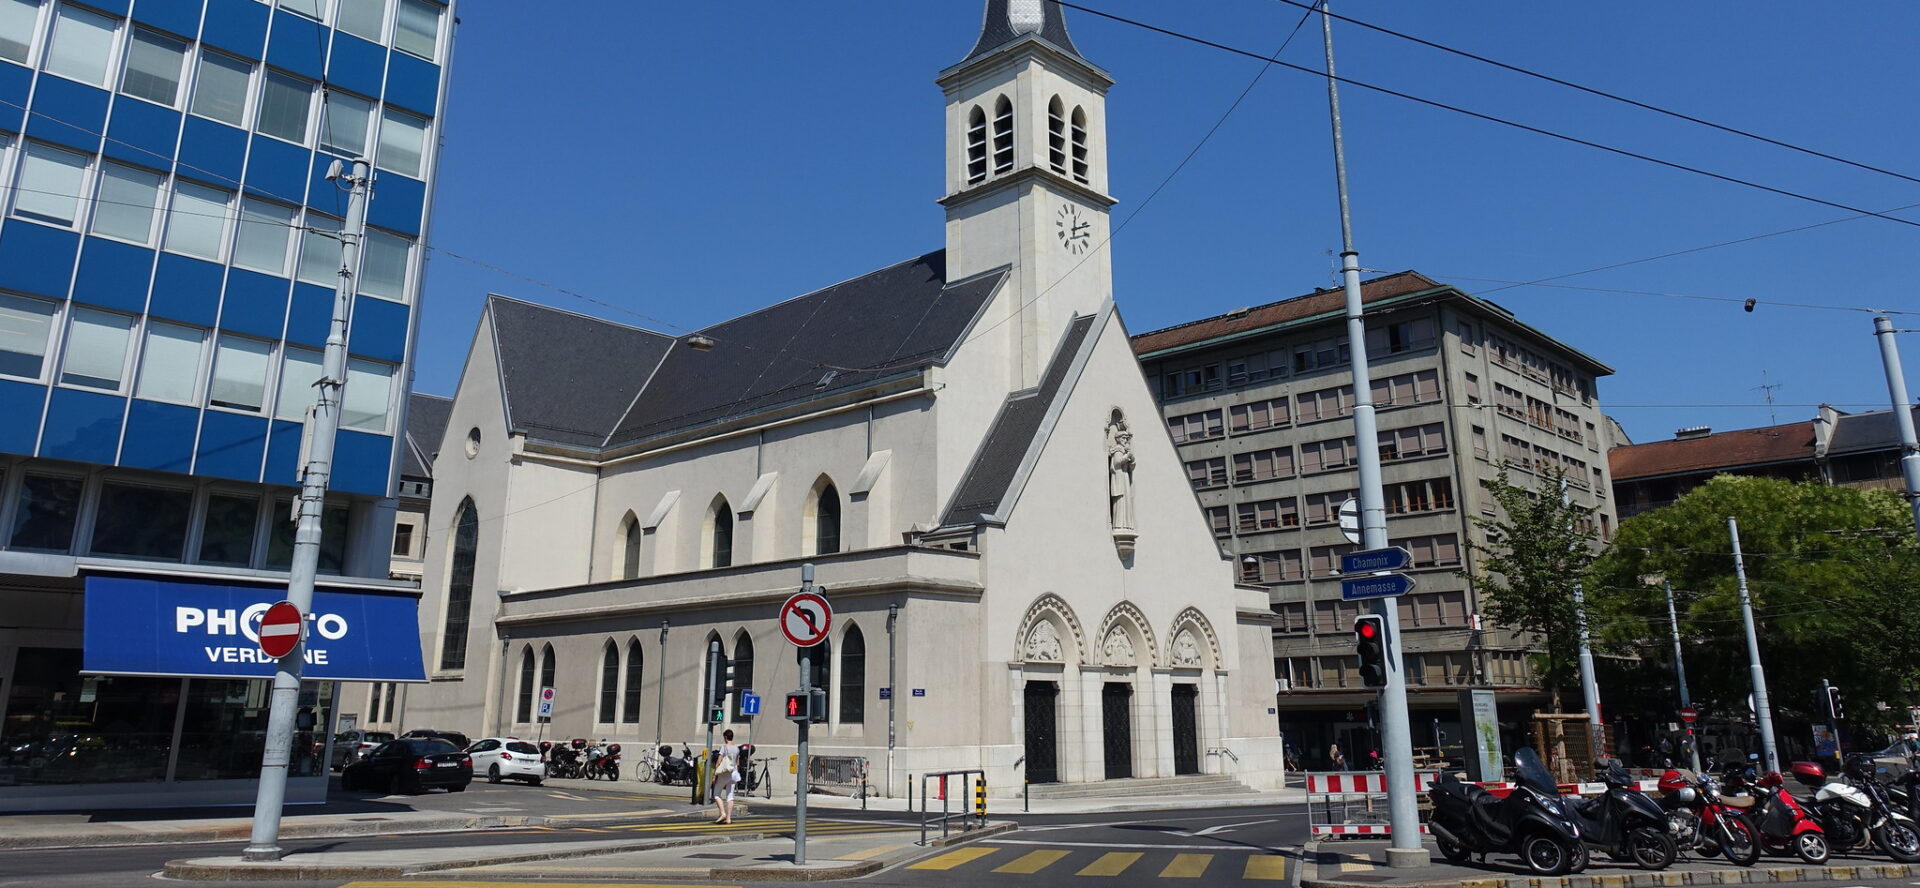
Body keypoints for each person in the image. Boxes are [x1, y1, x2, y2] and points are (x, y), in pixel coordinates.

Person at [711, 729, 741, 824]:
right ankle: (728, 819)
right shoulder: (736, 748)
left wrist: (715, 773)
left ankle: (723, 813)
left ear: (725, 737)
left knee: (716, 794)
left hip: (725, 774)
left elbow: (719, 761)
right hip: (734, 773)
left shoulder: (724, 747)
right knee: (730, 796)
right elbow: (737, 763)